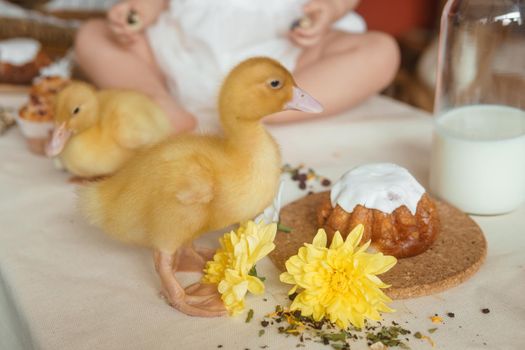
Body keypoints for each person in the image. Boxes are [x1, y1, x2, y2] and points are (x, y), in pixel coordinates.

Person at [74, 0, 399, 132]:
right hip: (175, 59)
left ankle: (266, 108)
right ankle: (156, 100)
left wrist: (327, 9)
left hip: (285, 62)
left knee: (381, 51)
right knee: (93, 34)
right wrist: (137, 12)